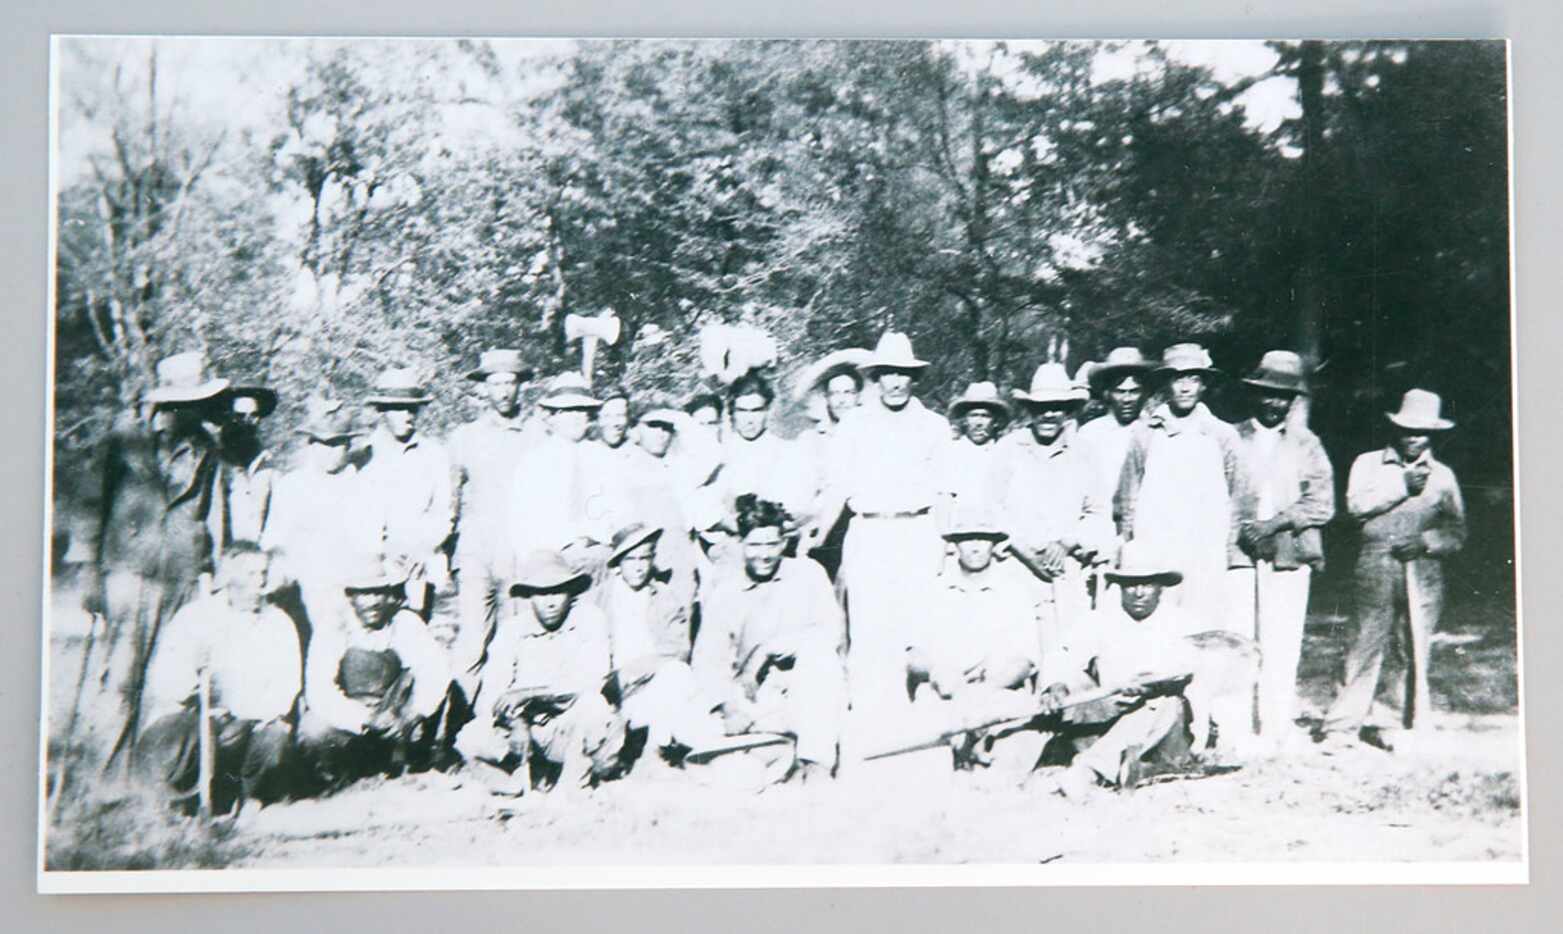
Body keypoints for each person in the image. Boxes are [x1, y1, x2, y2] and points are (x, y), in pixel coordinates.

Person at [77, 351, 230, 775]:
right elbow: (92, 506)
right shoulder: (124, 440)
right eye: (193, 400)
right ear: (170, 403)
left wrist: (212, 572)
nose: (201, 409)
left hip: (182, 574)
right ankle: (106, 775)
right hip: (128, 572)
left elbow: (215, 514)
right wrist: (89, 572)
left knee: (169, 677)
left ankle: (151, 775)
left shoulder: (208, 448)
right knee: (123, 675)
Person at [807, 331, 948, 759]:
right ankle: (868, 739)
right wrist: (813, 539)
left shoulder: (934, 426)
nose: (895, 382)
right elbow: (837, 489)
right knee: (868, 633)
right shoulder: (854, 425)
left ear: (913, 377)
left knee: (918, 632)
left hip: (918, 533)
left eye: (902, 374)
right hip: (868, 532)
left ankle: (920, 739)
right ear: (875, 377)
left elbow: (944, 494)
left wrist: (942, 547)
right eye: (886, 373)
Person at [1317, 389, 1467, 751]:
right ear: (1395, 429)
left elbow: (1457, 531)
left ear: (1433, 435)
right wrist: (1401, 486)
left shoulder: (1443, 476)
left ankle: (1390, 722)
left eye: (1422, 432)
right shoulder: (1368, 464)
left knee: (1409, 645)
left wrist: (1428, 542)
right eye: (1407, 429)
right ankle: (1341, 727)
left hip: (1422, 568)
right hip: (1375, 562)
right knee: (1363, 642)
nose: (1414, 437)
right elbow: (1355, 507)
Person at [134, 542, 301, 813]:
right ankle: (182, 801)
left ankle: (251, 799)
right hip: (199, 719)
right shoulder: (195, 617)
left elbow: (286, 686)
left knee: (276, 739)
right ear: (228, 578)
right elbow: (166, 682)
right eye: (250, 574)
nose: (260, 582)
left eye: (264, 573)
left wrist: (248, 716)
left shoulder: (279, 623)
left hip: (251, 722)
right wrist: (194, 679)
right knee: (182, 738)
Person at [1227, 351, 1336, 754]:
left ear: (1292, 402)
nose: (1274, 403)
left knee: (1282, 641)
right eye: (1267, 394)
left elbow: (1322, 504)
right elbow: (1215, 493)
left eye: (1283, 397)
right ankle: (1237, 726)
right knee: (1239, 640)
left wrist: (1274, 523)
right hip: (1237, 555)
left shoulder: (1308, 445)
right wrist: (1242, 530)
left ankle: (1275, 726)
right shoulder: (1231, 437)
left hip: (1288, 555)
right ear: (1254, 394)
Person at [695, 496, 847, 782]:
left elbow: (830, 633)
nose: (763, 555)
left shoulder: (808, 574)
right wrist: (728, 707)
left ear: (783, 542)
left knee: (821, 658)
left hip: (802, 692)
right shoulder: (725, 589)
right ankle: (770, 753)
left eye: (771, 544)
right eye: (754, 545)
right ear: (740, 544)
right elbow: (706, 659)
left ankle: (815, 764)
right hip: (753, 698)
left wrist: (767, 649)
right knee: (702, 732)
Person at [456, 551, 627, 795]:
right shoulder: (511, 631)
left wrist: (529, 694)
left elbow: (592, 680)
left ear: (571, 592)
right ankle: (518, 784)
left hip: (571, 727)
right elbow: (493, 692)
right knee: (469, 738)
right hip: (528, 730)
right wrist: (517, 723)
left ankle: (572, 786)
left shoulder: (590, 620)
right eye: (541, 593)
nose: (550, 602)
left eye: (557, 591)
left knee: (595, 706)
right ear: (529, 596)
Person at [1038, 543, 1202, 796]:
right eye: (1130, 584)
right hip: (1109, 712)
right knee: (1073, 680)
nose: (1138, 593)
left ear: (1161, 587)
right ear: (1120, 586)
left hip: (1158, 722)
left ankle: (1088, 770)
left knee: (1164, 702)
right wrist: (1056, 684)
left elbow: (1190, 667)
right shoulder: (1099, 620)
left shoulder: (1182, 623)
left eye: (1147, 584)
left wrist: (1154, 682)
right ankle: (1113, 767)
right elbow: (1064, 654)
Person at [1115, 343, 1250, 628]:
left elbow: (1237, 496)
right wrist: (1130, 548)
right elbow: (1128, 497)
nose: (1185, 387)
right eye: (1178, 378)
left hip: (1205, 548)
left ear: (1204, 385)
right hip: (1156, 546)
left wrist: (1227, 547)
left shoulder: (1222, 435)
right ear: (1166, 383)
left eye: (1193, 378)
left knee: (1202, 621)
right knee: (1156, 623)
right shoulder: (1146, 433)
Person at [905, 515, 1047, 773]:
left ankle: (981, 757)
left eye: (983, 539)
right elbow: (914, 657)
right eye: (967, 539)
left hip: (997, 693)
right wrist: (939, 673)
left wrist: (987, 688)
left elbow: (1024, 661)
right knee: (926, 768)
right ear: (954, 545)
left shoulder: (1015, 592)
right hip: (943, 694)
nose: (975, 546)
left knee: (1009, 762)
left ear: (995, 544)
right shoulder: (933, 591)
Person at [297, 567, 453, 789]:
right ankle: (337, 779)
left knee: (436, 692)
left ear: (389, 594)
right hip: (351, 719)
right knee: (314, 729)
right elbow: (320, 690)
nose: (372, 602)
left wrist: (410, 714)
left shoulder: (404, 621)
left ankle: (408, 763)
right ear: (350, 596)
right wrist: (365, 719)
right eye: (364, 593)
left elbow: (435, 671)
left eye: (378, 592)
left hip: (394, 715)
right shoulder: (333, 625)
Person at [988, 363, 1112, 629]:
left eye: (1056, 407)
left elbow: (1098, 513)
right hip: (1014, 566)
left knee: (1067, 651)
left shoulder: (1085, 453)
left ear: (1068, 411)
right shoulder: (1008, 448)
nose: (1048, 415)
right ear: (1030, 410)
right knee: (1014, 648)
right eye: (1040, 408)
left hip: (1066, 570)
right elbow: (990, 507)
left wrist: (1067, 543)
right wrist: (1021, 548)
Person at [447, 349, 535, 685]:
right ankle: (452, 725)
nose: (503, 391)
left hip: (519, 552)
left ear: (520, 386)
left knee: (513, 638)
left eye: (510, 382)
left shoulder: (535, 434)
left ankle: (503, 721)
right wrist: (445, 551)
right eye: (495, 383)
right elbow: (450, 501)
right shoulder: (464, 437)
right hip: (476, 551)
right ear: (483, 388)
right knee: (472, 640)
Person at [261, 395, 382, 636]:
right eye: (322, 443)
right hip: (303, 585)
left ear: (348, 446)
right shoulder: (291, 486)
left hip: (349, 585)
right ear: (311, 445)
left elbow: (372, 543)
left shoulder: (363, 486)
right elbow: (274, 540)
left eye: (337, 443)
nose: (329, 451)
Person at [360, 367, 455, 620]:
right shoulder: (364, 456)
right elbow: (359, 518)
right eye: (398, 408)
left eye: (412, 408)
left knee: (416, 630)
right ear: (382, 411)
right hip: (376, 565)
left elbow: (444, 514)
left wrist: (422, 548)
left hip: (421, 563)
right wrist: (385, 549)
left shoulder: (434, 455)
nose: (407, 416)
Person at [509, 373, 624, 572]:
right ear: (552, 417)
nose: (576, 417)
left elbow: (618, 508)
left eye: (582, 410)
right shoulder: (534, 462)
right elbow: (521, 521)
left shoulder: (604, 457)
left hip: (599, 557)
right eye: (567, 410)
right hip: (552, 561)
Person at [710, 371, 811, 519]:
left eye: (756, 410)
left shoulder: (789, 452)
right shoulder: (719, 455)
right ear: (732, 412)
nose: (749, 419)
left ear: (768, 411)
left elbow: (799, 504)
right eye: (742, 411)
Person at [1075, 346, 1154, 509]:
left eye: (1134, 391)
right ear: (1107, 394)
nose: (1127, 399)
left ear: (1145, 393)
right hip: (1101, 519)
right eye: (1120, 391)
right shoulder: (1090, 434)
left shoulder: (1155, 430)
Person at [210, 383, 279, 553]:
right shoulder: (212, 462)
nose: (247, 423)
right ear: (227, 417)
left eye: (254, 416)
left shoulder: (268, 468)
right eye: (240, 416)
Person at [938, 381, 1010, 514]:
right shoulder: (951, 453)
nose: (978, 423)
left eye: (985, 416)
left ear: (995, 422)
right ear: (965, 420)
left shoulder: (1005, 454)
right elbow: (944, 499)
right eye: (973, 415)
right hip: (959, 528)